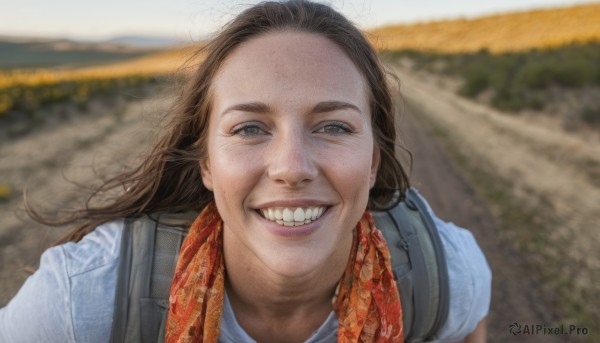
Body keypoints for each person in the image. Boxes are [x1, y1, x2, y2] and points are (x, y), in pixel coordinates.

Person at [0, 1, 491, 342]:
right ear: (207, 164)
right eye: (250, 128)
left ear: (373, 163)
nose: (291, 168)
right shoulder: (84, 299)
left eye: (334, 126)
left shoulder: (446, 275)